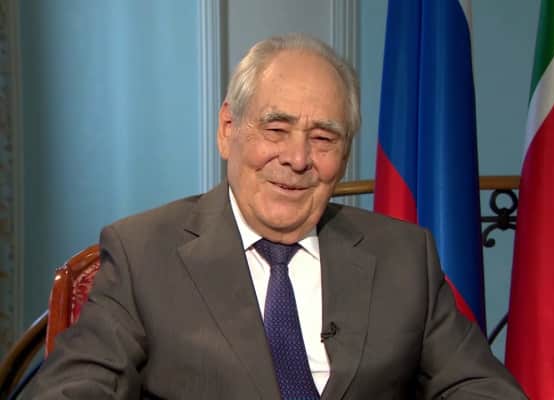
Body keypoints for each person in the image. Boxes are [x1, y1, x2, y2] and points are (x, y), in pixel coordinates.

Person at [25, 34, 526, 399]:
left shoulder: (404, 256)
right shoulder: (143, 254)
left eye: (323, 138)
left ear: (345, 154)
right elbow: (74, 389)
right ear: (228, 129)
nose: (297, 158)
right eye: (276, 129)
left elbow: (482, 388)